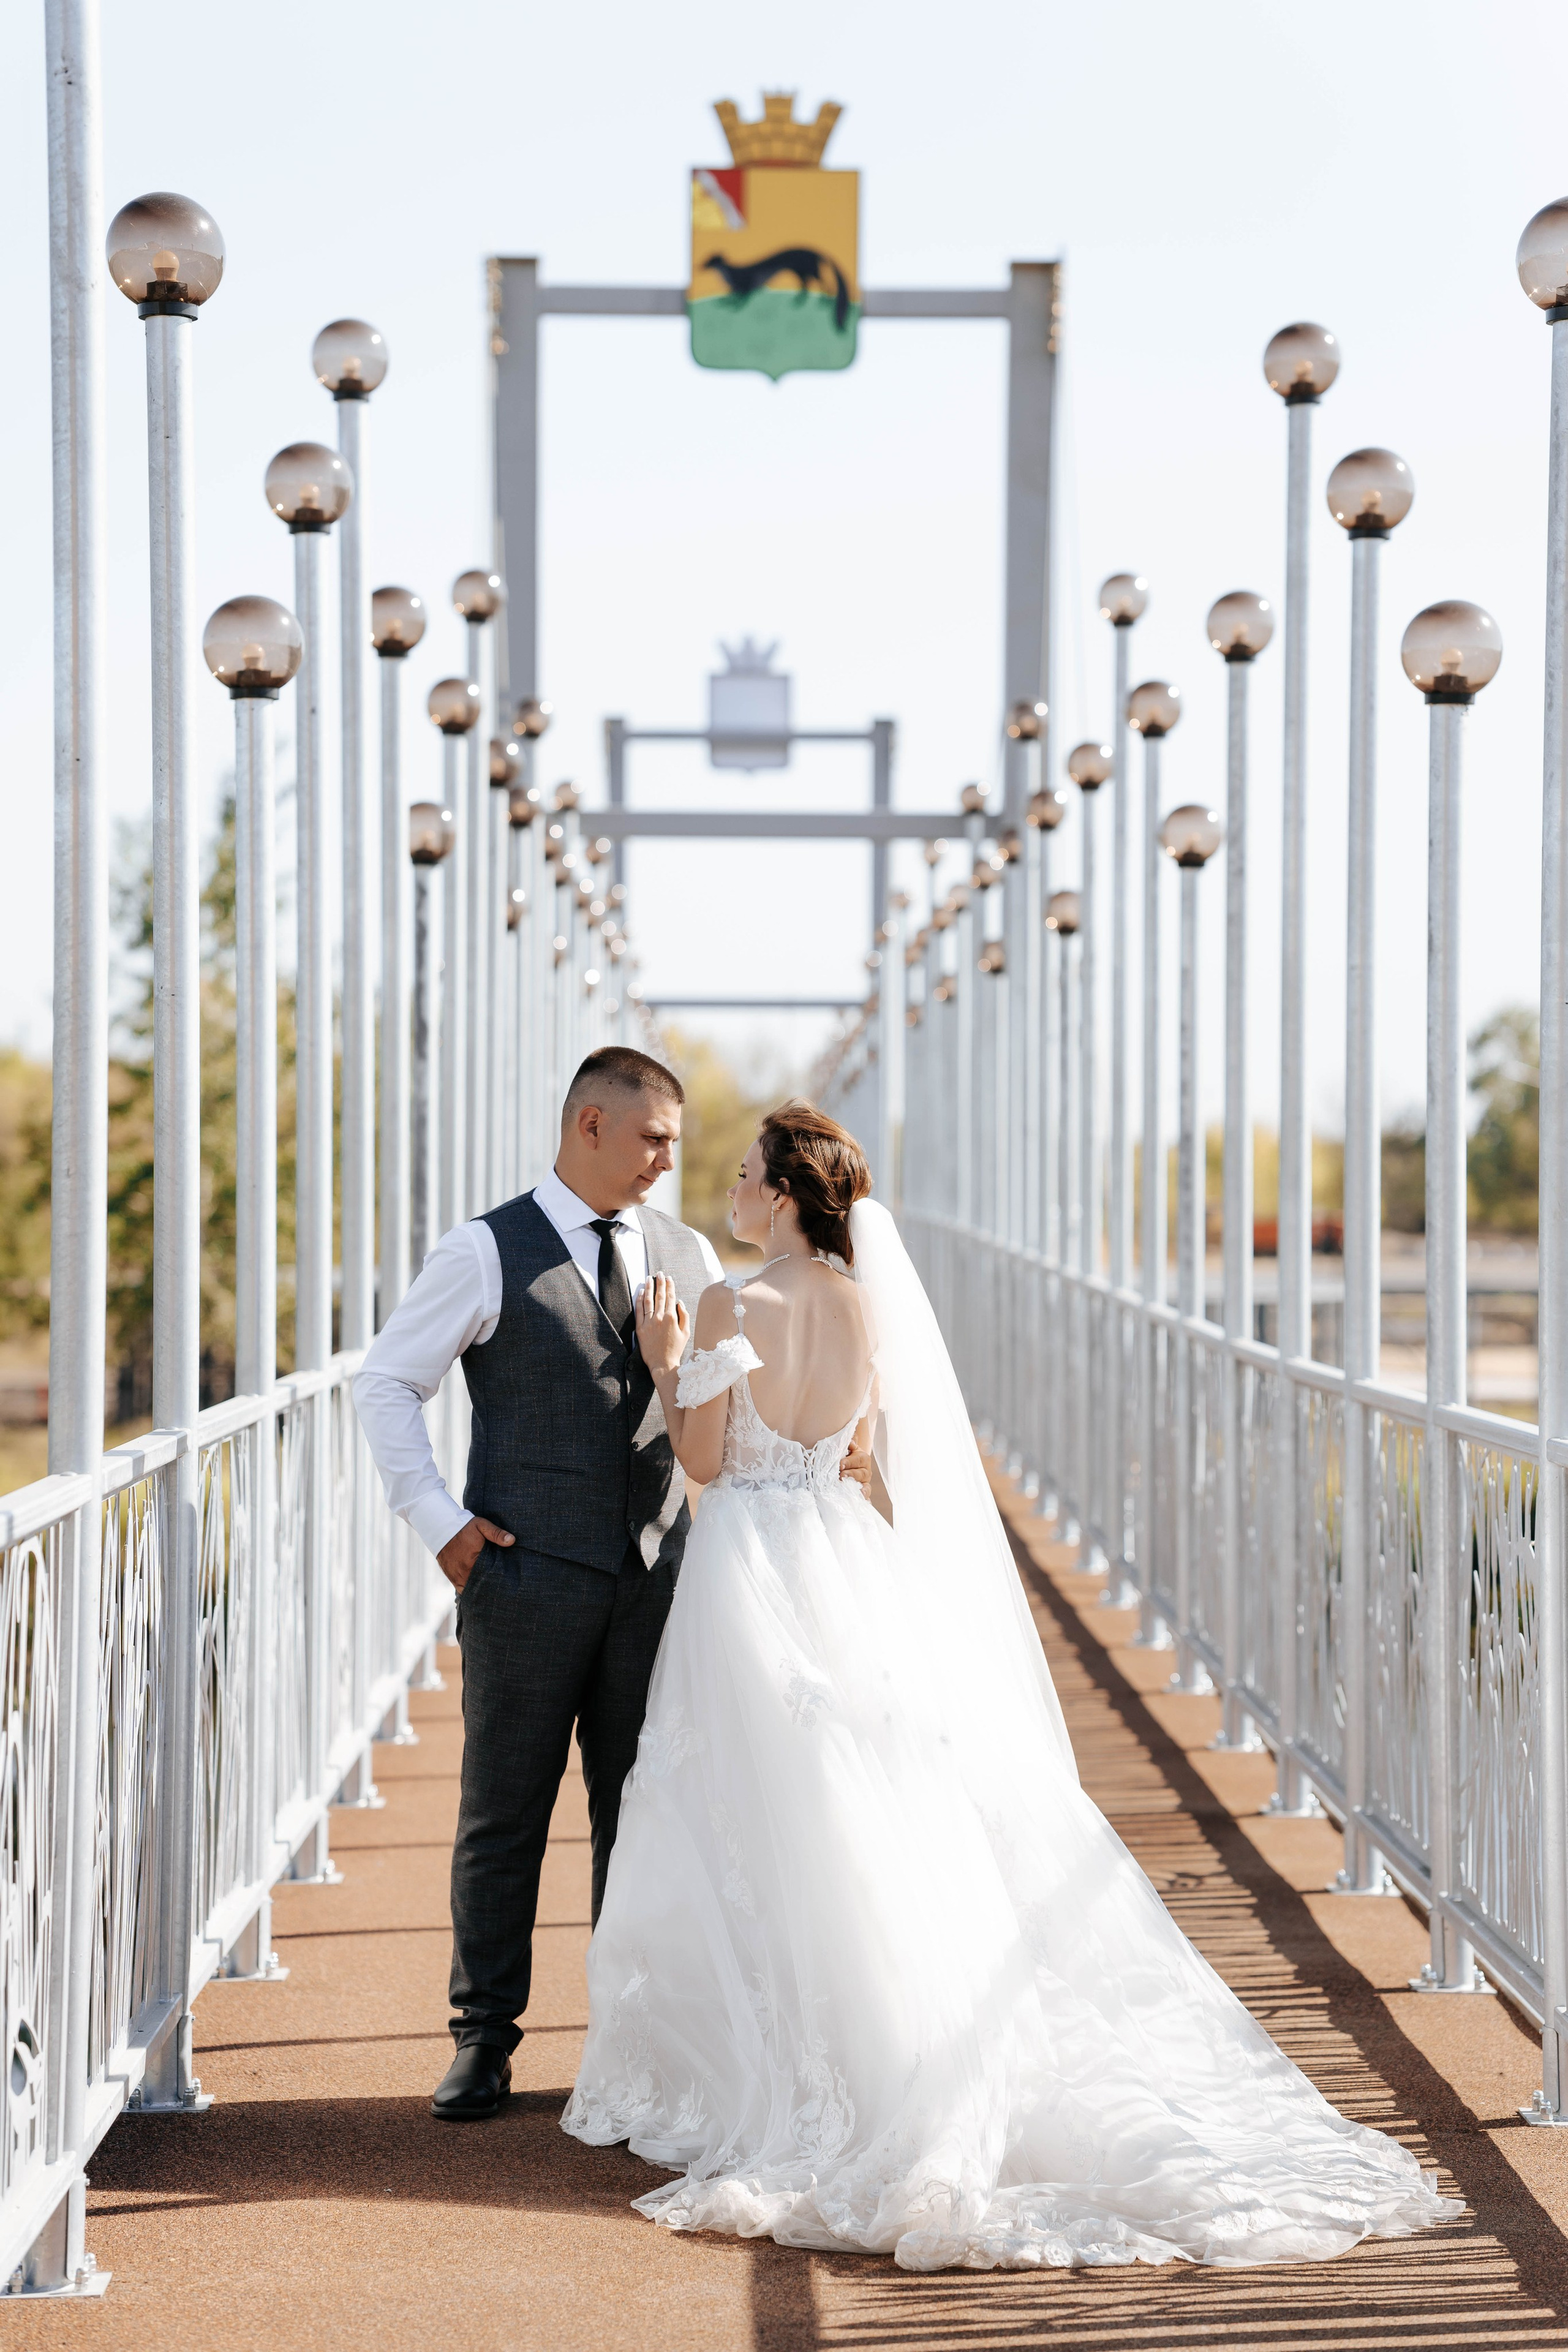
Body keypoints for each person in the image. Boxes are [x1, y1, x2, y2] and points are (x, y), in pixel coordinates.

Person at [562, 1099, 1461, 2273]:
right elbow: (866, 1461)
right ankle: (899, 2051)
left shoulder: (734, 1303)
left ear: (780, 1195)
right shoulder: (865, 1308)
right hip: (846, 1563)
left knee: (756, 1816)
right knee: (868, 1817)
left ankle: (784, 2069)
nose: (727, 1198)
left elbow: (703, 1463)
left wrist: (668, 1364)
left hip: (757, 1578)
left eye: (739, 1179)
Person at [357, 1049, 726, 2121]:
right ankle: (483, 2040)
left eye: (676, 1141)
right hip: (523, 1580)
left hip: (657, 1575)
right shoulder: (482, 1250)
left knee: (639, 1812)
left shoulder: (687, 1249)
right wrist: (441, 1525)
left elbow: (711, 1397)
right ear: (590, 1127)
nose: (668, 1159)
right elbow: (385, 1383)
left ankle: (627, 2042)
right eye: (653, 1137)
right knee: (504, 1814)